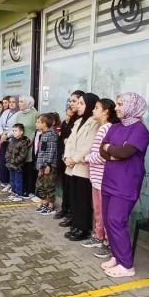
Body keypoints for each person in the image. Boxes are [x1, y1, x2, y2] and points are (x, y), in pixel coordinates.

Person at [98, 93, 149, 278]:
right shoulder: (116, 127)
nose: (116, 108)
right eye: (117, 104)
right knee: (107, 220)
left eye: (120, 104)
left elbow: (125, 152)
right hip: (109, 180)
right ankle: (117, 256)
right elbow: (102, 149)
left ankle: (127, 265)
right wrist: (114, 152)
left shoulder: (140, 130)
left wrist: (112, 151)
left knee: (116, 221)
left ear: (132, 107)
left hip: (126, 183)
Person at [82, 98, 120, 251]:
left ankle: (108, 242)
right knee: (98, 210)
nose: (93, 110)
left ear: (106, 112)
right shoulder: (102, 127)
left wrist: (86, 158)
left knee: (104, 212)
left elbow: (101, 155)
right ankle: (99, 236)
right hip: (96, 177)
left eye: (96, 107)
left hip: (103, 178)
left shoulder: (107, 128)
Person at [63, 92, 101, 241]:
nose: (77, 106)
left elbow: (89, 145)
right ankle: (76, 225)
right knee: (74, 197)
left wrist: (74, 159)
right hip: (72, 165)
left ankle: (84, 229)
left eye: (81, 103)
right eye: (77, 103)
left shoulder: (94, 122)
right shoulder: (78, 121)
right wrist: (67, 157)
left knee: (83, 199)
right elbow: (70, 141)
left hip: (83, 166)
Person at [56, 91, 83, 220]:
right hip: (66, 157)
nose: (71, 104)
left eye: (74, 101)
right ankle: (65, 209)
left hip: (76, 161)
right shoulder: (70, 120)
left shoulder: (82, 120)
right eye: (70, 101)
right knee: (66, 187)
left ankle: (73, 215)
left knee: (74, 191)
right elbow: (64, 138)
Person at [15, 96, 39, 198]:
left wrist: (32, 139)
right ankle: (23, 189)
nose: (19, 104)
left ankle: (30, 190)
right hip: (20, 144)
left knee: (29, 167)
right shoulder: (19, 115)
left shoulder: (35, 114)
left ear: (28, 103)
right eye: (19, 102)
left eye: (21, 102)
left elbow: (37, 129)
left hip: (30, 144)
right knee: (22, 166)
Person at [35, 113, 59, 215]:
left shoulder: (51, 135)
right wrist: (40, 166)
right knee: (40, 184)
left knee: (49, 185)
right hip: (41, 164)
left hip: (48, 165)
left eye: (38, 122)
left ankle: (51, 205)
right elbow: (41, 151)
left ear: (44, 124)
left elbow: (51, 151)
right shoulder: (42, 135)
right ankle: (44, 202)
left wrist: (48, 165)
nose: (36, 124)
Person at [6, 123, 32, 201]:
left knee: (18, 180)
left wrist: (15, 162)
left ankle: (18, 194)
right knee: (12, 180)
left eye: (16, 130)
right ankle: (14, 192)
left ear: (21, 132)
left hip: (17, 165)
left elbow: (22, 155)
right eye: (13, 130)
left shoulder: (24, 142)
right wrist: (7, 160)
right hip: (10, 164)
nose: (14, 132)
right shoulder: (12, 140)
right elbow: (8, 151)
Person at [0, 97, 20, 190]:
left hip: (12, 140)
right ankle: (4, 180)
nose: (11, 104)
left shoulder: (19, 114)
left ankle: (10, 183)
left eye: (13, 102)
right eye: (10, 102)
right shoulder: (5, 112)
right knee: (4, 160)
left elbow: (16, 127)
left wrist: (7, 135)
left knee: (11, 161)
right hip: (4, 139)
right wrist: (2, 134)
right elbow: (0, 123)